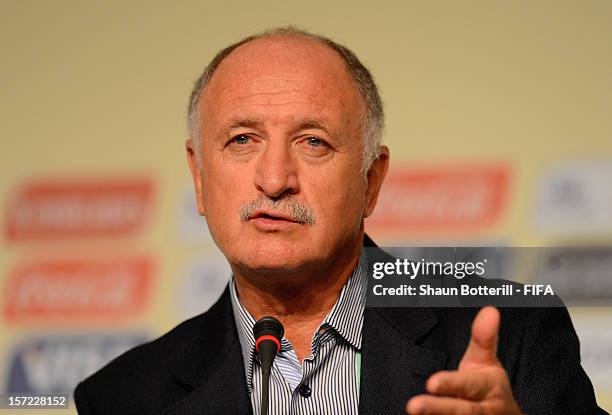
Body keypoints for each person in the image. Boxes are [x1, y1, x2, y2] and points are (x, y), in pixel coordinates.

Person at [74, 27, 606, 414]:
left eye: (313, 142)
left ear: (370, 179)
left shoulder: (516, 331)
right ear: (198, 175)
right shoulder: (124, 396)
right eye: (242, 140)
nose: (275, 178)